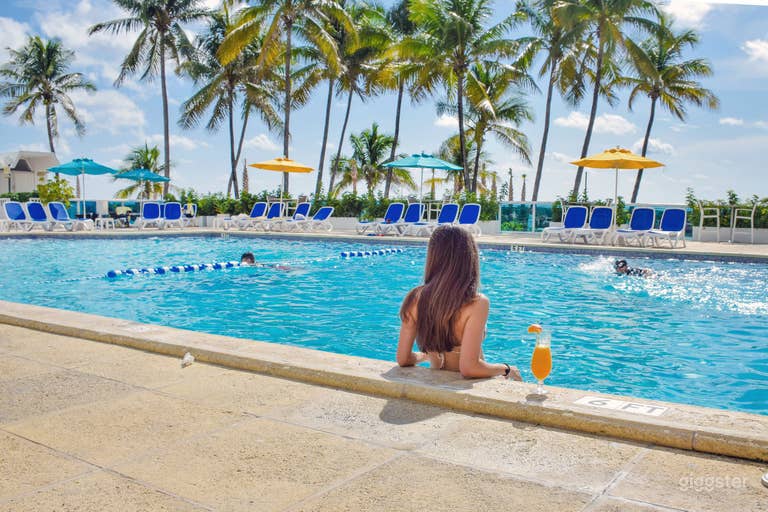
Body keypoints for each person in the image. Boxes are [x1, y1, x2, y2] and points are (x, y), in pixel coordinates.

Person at [396, 225, 522, 380]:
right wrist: (506, 369)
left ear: (433, 257)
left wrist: (423, 357)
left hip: (436, 380)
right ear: (469, 257)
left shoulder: (415, 297)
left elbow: (403, 359)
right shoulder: (477, 303)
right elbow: (470, 368)